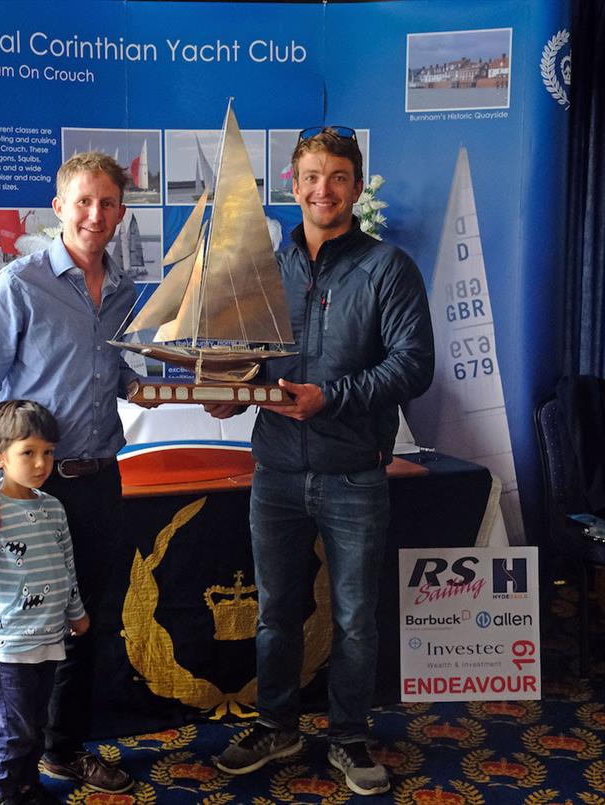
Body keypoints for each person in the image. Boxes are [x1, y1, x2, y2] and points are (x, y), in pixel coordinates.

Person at [210, 126, 434, 796]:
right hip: (275, 471)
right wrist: (232, 397)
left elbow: (413, 364)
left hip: (352, 471)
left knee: (355, 616)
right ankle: (278, 725)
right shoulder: (266, 269)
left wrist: (331, 399)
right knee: (276, 608)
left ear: (356, 188)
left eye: (337, 176)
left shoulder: (388, 268)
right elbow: (252, 359)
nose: (323, 189)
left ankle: (348, 735)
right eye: (311, 176)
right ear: (293, 183)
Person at [0, 151, 141, 802]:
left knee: (85, 626)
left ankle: (63, 753)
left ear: (121, 210)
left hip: (97, 483)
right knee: (15, 632)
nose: (95, 214)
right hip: (29, 490)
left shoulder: (124, 290)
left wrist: (173, 388)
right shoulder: (21, 283)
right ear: (58, 208)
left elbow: (117, 378)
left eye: (108, 202)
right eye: (82, 201)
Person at [0, 400, 90, 805]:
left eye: (48, 452)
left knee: (36, 724)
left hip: (50, 639)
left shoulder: (53, 507)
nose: (41, 464)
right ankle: (0, 792)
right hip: (9, 647)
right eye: (28, 453)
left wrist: (76, 612)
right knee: (12, 731)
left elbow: (65, 564)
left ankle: (27, 785)